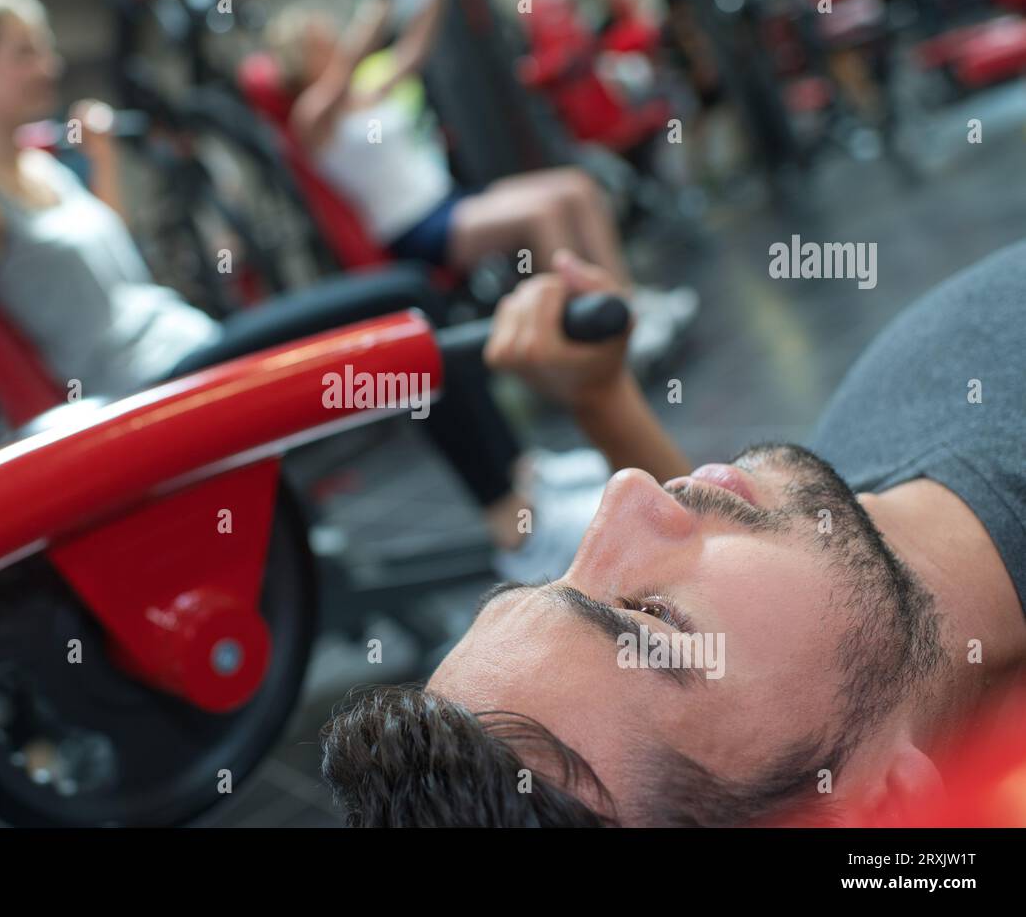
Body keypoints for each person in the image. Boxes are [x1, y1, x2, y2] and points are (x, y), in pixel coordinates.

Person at [0, 0, 602, 578]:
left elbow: (114, 266)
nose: (47, 66)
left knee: (404, 302)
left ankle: (522, 479)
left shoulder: (35, 164)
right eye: (22, 54)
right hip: (153, 388)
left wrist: (96, 162)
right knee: (401, 299)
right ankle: (520, 534)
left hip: (192, 344)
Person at [320, 243, 1026, 826]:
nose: (627, 493)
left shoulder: (846, 564)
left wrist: (602, 399)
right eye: (650, 616)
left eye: (559, 575)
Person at [264, 0, 699, 365]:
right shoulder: (312, 118)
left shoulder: (365, 94)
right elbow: (347, 65)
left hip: (452, 201)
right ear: (301, 60)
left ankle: (625, 303)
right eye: (321, 42)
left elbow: (415, 49)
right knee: (543, 213)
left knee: (576, 187)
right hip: (417, 227)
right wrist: (381, 0)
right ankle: (593, 346)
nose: (334, 45)